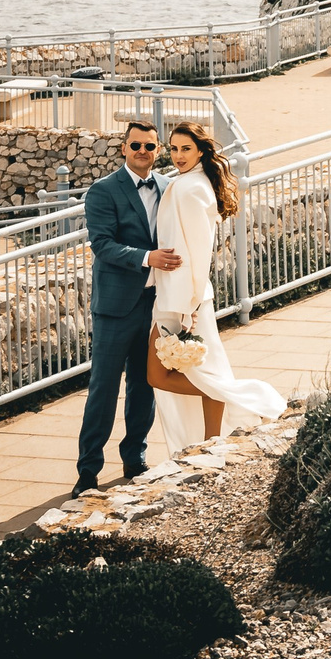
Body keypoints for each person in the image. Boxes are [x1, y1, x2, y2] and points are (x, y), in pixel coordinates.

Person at [149, 122, 286, 447]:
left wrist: (189, 307)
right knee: (200, 372)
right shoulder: (188, 182)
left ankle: (242, 403)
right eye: (174, 148)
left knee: (163, 375)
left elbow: (197, 252)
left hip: (183, 299)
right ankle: (211, 439)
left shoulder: (192, 188)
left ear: (200, 151)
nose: (178, 155)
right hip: (175, 295)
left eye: (186, 149)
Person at [74, 120, 180, 494]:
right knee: (102, 388)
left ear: (158, 151)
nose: (142, 152)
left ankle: (135, 459)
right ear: (124, 148)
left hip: (155, 305)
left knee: (144, 386)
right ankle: (88, 471)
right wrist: (147, 257)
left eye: (150, 147)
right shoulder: (103, 191)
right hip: (116, 307)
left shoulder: (170, 188)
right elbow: (101, 244)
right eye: (136, 145)